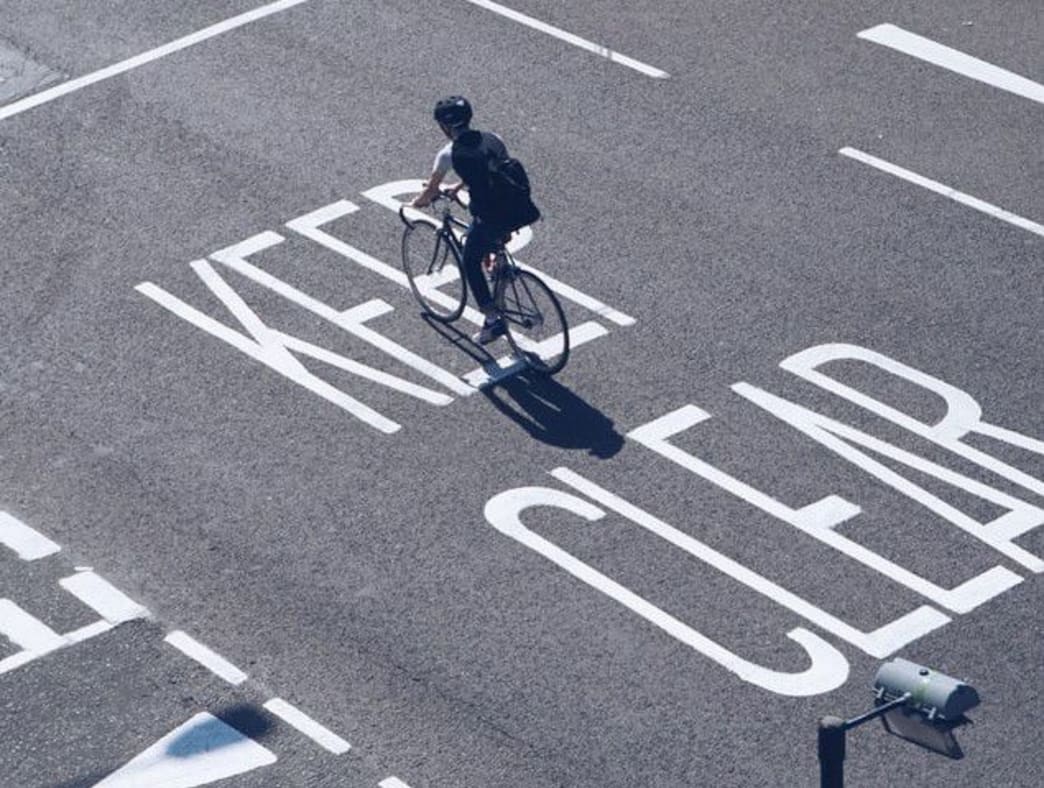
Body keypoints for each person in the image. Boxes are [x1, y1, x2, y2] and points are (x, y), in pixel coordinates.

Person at [411, 96, 513, 344]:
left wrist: (416, 203)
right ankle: (502, 268)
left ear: (444, 126)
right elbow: (493, 169)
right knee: (488, 239)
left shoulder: (448, 154)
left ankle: (491, 320)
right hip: (514, 207)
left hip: (489, 214)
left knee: (469, 260)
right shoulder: (493, 138)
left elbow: (431, 191)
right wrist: (460, 185)